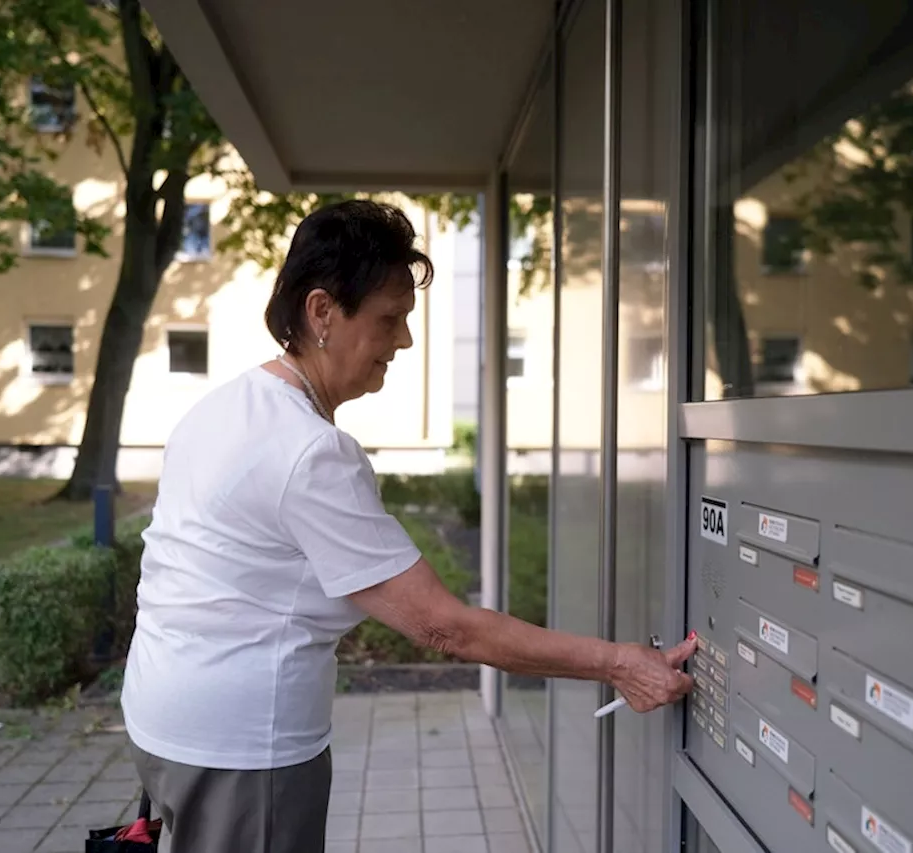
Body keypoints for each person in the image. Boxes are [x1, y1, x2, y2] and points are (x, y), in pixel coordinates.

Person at [120, 199, 697, 853]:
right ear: (321, 313)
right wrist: (620, 663)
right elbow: (441, 626)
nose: (405, 341)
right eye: (389, 319)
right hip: (241, 746)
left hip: (162, 715)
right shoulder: (306, 449)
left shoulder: (224, 405)